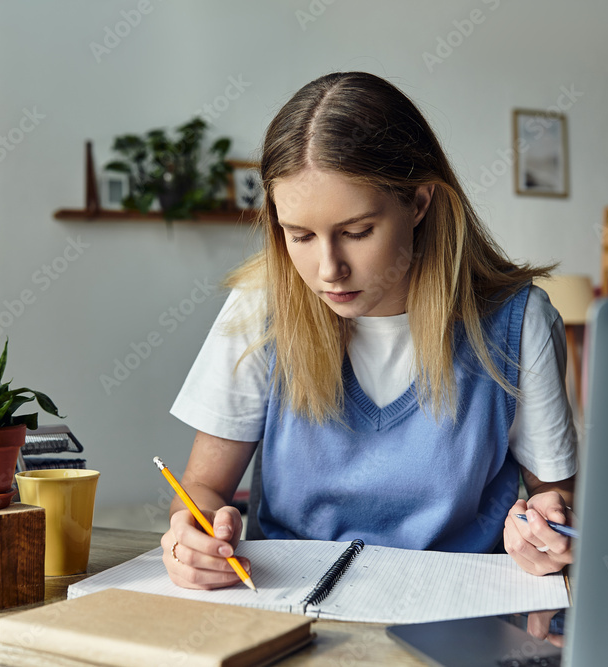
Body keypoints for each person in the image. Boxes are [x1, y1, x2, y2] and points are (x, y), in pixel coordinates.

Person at [162, 72, 577, 634]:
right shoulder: (260, 308)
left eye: (356, 231)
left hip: (458, 622)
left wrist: (543, 535)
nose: (327, 270)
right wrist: (194, 538)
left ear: (420, 201)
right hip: (287, 617)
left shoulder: (519, 322)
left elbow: (556, 505)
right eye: (300, 236)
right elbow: (203, 491)